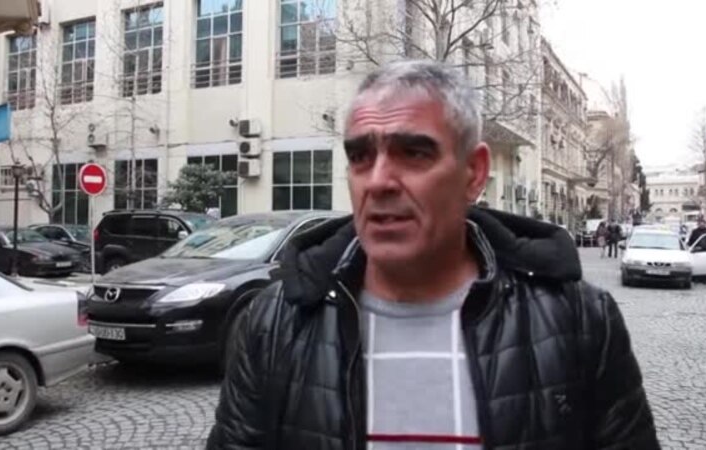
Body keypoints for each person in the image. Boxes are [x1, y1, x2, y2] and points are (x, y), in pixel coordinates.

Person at [206, 61, 659, 450]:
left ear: (474, 173)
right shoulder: (275, 324)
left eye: (413, 153)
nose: (378, 181)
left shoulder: (578, 321)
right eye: (360, 156)